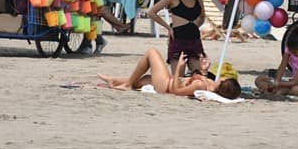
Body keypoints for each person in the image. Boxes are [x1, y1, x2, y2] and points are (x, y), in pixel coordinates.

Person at [97, 48, 241, 99]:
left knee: (151, 52)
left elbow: (176, 91)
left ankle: (127, 84)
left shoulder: (200, 85)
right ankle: (113, 81)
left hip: (166, 85)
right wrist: (203, 69)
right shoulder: (209, 84)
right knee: (144, 79)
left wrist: (178, 67)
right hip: (169, 81)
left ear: (223, 81)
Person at [148, 0, 206, 75]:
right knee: (178, 78)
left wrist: (195, 25)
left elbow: (202, 16)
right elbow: (152, 12)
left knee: (199, 76)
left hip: (194, 39)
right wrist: (168, 28)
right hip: (178, 39)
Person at [255, 26, 298, 96]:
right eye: (291, 51)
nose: (293, 53)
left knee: (295, 90)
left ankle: (281, 91)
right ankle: (280, 90)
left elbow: (296, 82)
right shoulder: (290, 49)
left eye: (295, 52)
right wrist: (276, 81)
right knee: (259, 79)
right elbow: (282, 66)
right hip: (292, 82)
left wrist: (278, 84)